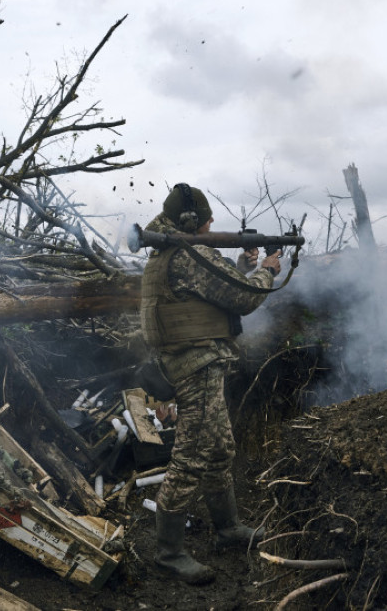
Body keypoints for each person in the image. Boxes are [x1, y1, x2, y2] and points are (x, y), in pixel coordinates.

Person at [139, 183, 281, 585]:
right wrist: (268, 271)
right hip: (196, 366)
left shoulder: (168, 251)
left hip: (191, 361)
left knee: (219, 448)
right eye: (205, 218)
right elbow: (244, 297)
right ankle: (169, 554)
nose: (212, 222)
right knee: (192, 458)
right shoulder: (190, 254)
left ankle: (228, 528)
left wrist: (242, 267)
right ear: (190, 221)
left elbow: (209, 291)